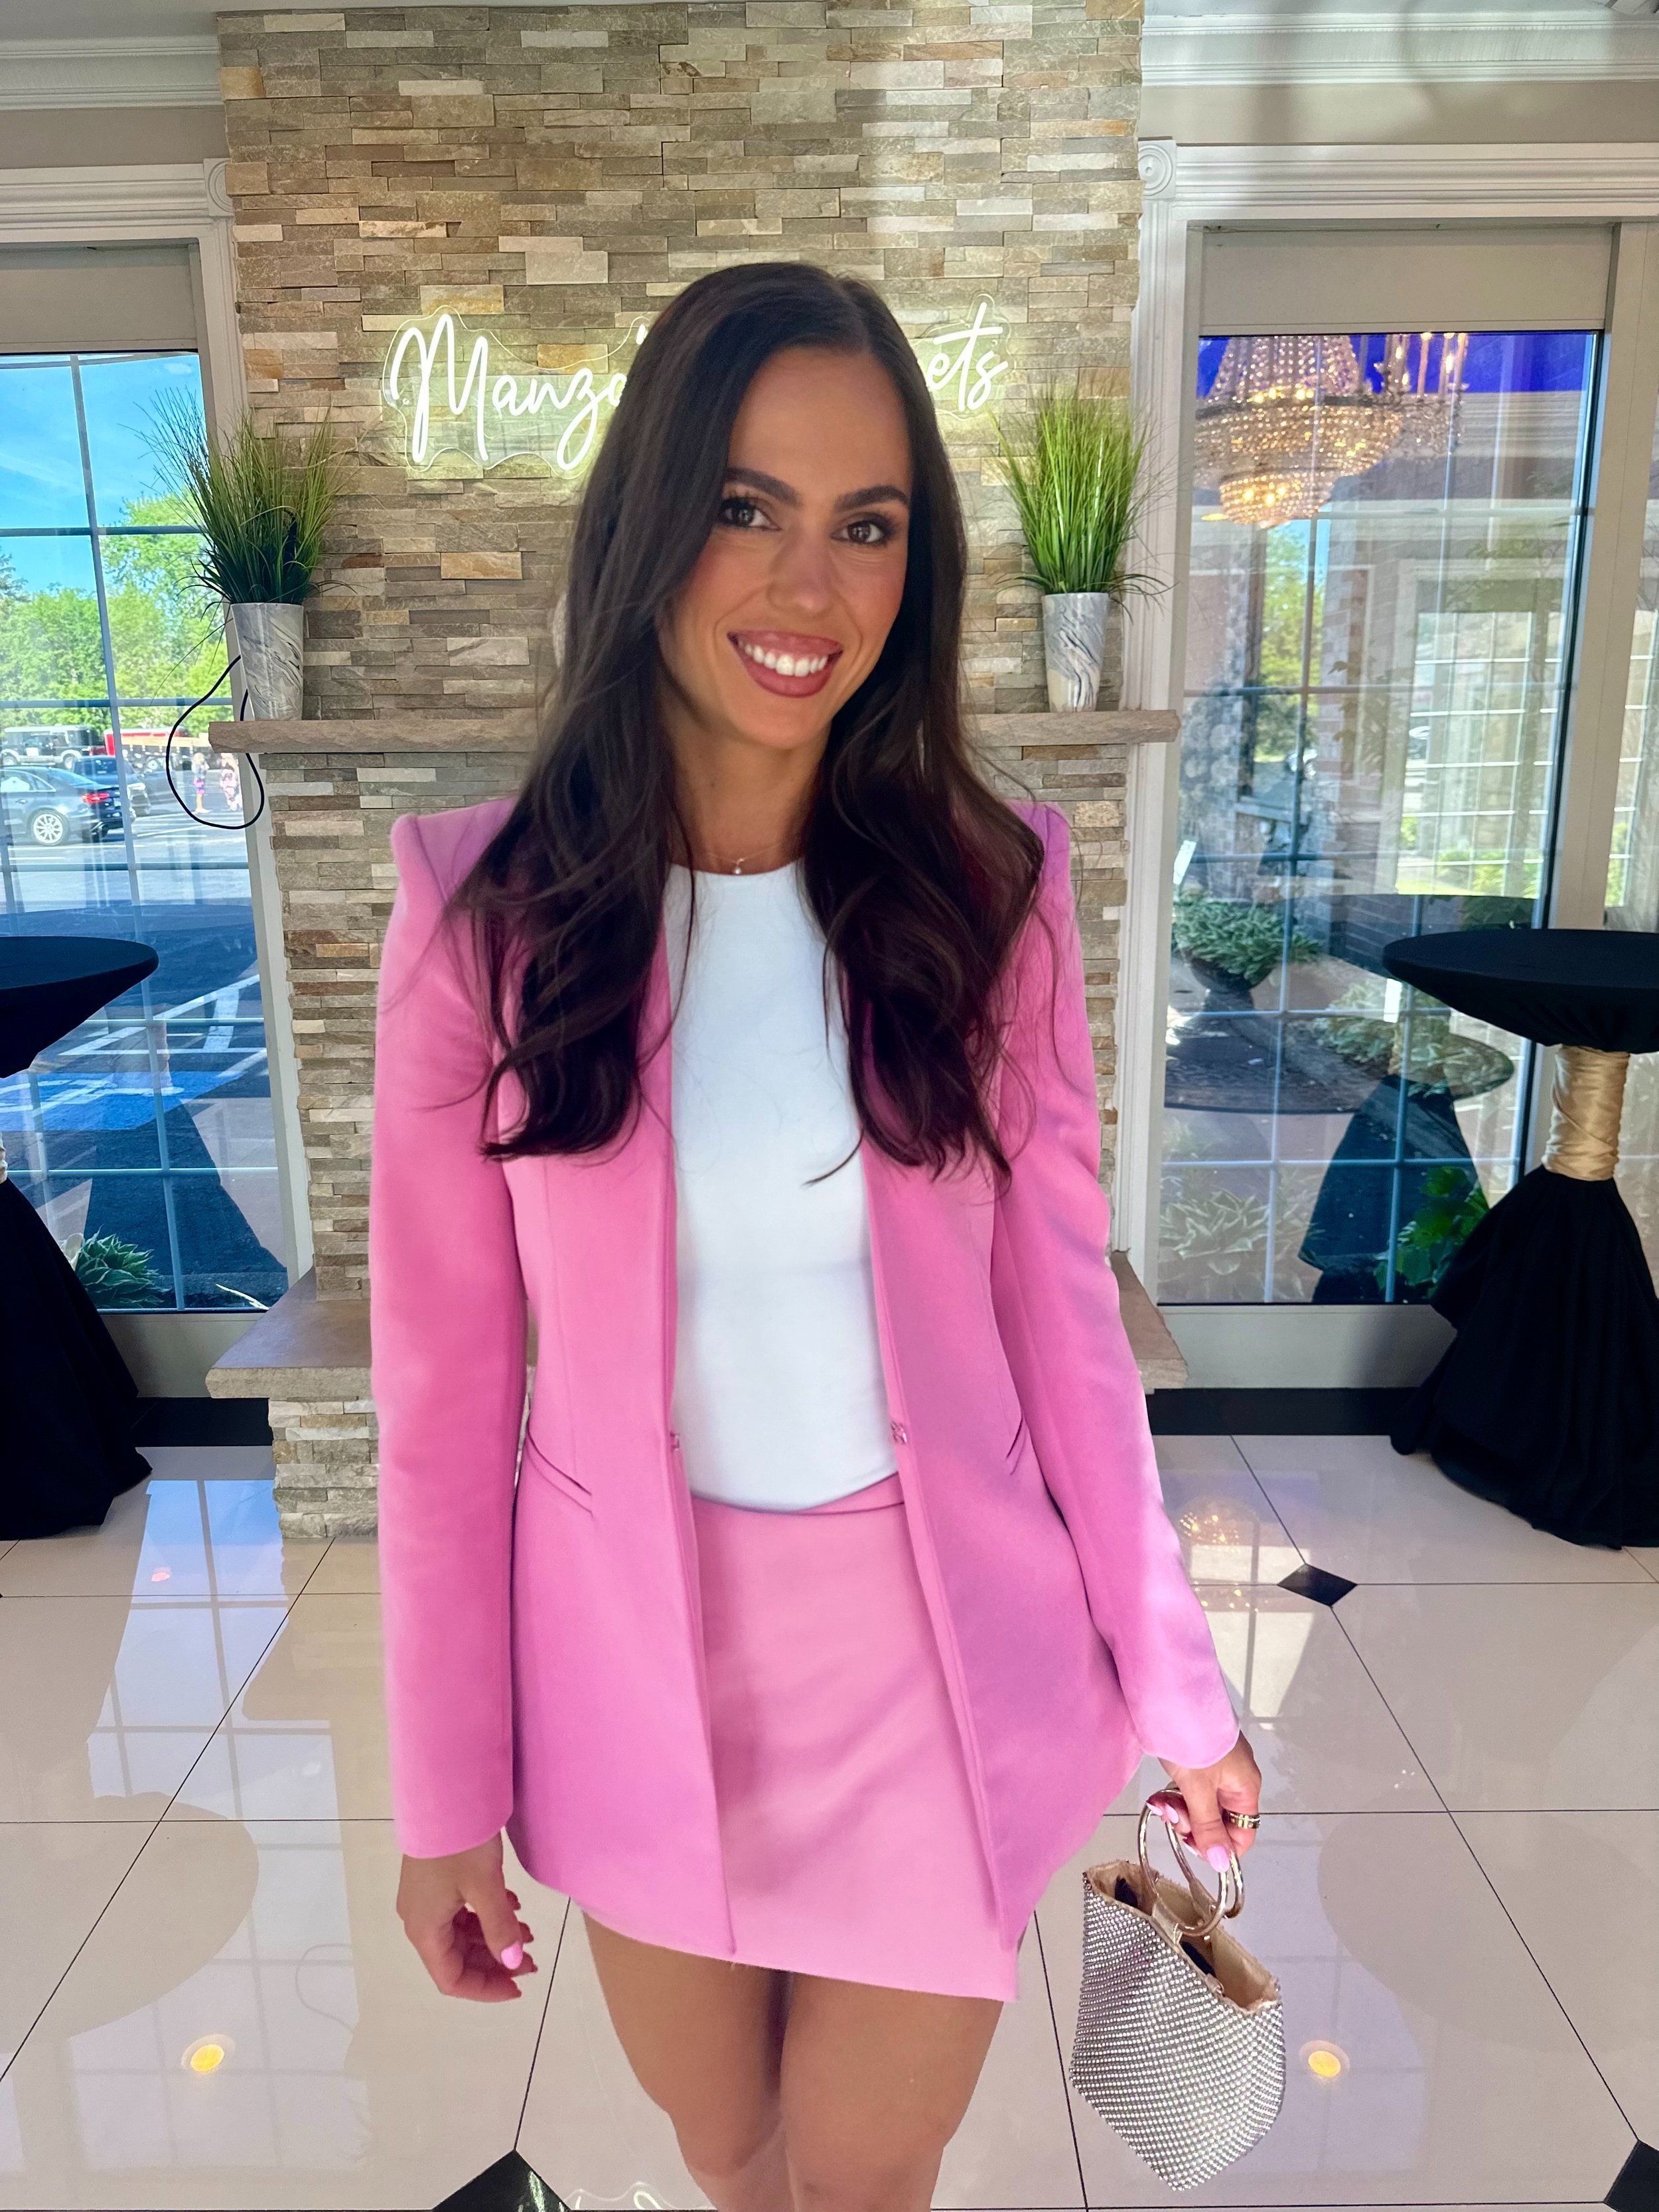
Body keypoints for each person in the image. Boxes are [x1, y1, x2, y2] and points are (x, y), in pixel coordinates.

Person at [368, 260, 1261, 2212]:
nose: (810, 586)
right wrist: (442, 1801)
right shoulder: (481, 912)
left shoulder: (988, 888)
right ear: (647, 521)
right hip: (632, 1662)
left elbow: (1065, 1329)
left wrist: (1179, 1685)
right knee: (726, 2149)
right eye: (744, 506)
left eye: (869, 525)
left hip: (929, 1662)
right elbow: (439, 1411)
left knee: (861, 2176)